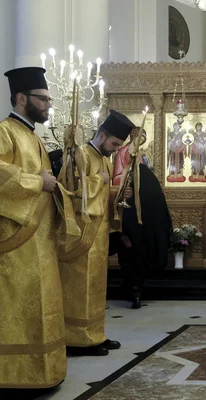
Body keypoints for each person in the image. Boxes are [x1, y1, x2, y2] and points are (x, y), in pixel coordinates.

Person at [0, 67, 67, 392]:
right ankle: (15, 375)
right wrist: (35, 182)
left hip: (40, 242)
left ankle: (45, 372)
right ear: (22, 98)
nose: (47, 105)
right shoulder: (5, 132)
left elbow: (49, 183)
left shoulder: (34, 137)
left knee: (43, 306)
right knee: (18, 308)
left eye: (49, 100)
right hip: (17, 243)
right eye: (42, 99)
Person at [57, 110, 134, 356]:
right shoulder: (80, 154)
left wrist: (118, 194)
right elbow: (70, 189)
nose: (114, 149)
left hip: (98, 234)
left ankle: (96, 335)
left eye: (118, 146)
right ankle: (77, 339)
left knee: (97, 285)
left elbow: (102, 193)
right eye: (113, 143)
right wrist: (98, 181)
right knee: (80, 285)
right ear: (101, 135)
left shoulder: (106, 160)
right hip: (81, 233)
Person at [112, 128, 172, 309]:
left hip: (143, 216)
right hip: (127, 212)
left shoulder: (144, 166)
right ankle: (132, 288)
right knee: (128, 250)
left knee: (138, 251)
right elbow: (116, 177)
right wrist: (124, 188)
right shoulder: (123, 153)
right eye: (139, 138)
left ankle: (136, 286)